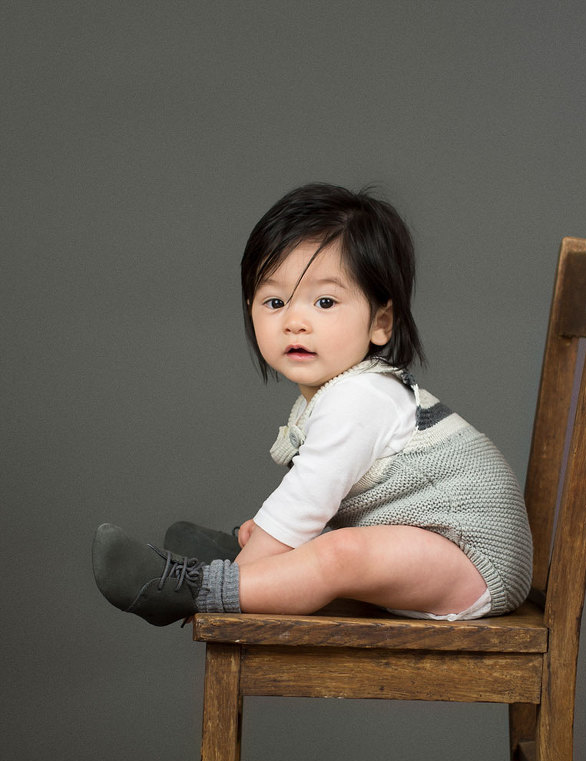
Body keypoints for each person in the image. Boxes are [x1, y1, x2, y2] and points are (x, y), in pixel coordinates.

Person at [92, 183, 532, 625]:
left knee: (336, 553)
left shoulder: (359, 398)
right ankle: (241, 567)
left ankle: (201, 586)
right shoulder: (337, 392)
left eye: (324, 301)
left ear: (381, 322)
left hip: (477, 562)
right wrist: (273, 538)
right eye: (275, 301)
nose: (294, 322)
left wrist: (251, 565)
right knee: (301, 538)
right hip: (430, 552)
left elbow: (307, 502)